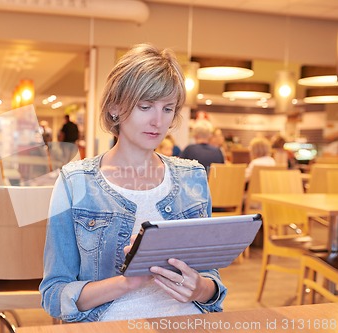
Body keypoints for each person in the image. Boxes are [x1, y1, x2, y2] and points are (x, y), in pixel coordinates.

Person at [40, 43, 226, 323]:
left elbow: (211, 280)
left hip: (187, 321)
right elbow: (54, 294)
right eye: (145, 106)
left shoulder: (192, 177)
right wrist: (125, 282)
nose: (157, 121)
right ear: (115, 108)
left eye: (167, 109)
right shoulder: (75, 182)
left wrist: (199, 288)